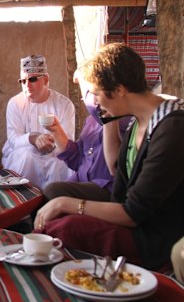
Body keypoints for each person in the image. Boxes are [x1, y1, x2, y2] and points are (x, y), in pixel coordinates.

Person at [34, 43, 184, 270]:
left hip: (155, 234)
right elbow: (115, 168)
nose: (94, 102)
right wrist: (108, 118)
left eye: (95, 93)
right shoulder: (138, 119)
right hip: (132, 218)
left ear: (120, 89)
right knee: (58, 221)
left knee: (65, 229)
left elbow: (133, 212)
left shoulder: (172, 127)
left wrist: (67, 203)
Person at [42, 68, 130, 202]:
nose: (89, 101)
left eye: (91, 93)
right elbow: (77, 161)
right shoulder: (90, 121)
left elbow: (116, 168)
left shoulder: (125, 121)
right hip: (82, 181)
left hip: (106, 189)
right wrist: (56, 130)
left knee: (52, 191)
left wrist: (109, 116)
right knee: (43, 196)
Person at [1, 54, 75, 189]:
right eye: (23, 81)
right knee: (27, 156)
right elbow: (13, 139)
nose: (27, 85)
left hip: (54, 152)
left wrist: (50, 142)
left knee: (58, 163)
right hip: (23, 151)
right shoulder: (15, 103)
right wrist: (33, 138)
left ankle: (53, 202)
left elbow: (68, 138)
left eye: (32, 79)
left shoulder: (64, 104)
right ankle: (24, 201)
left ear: (46, 79)